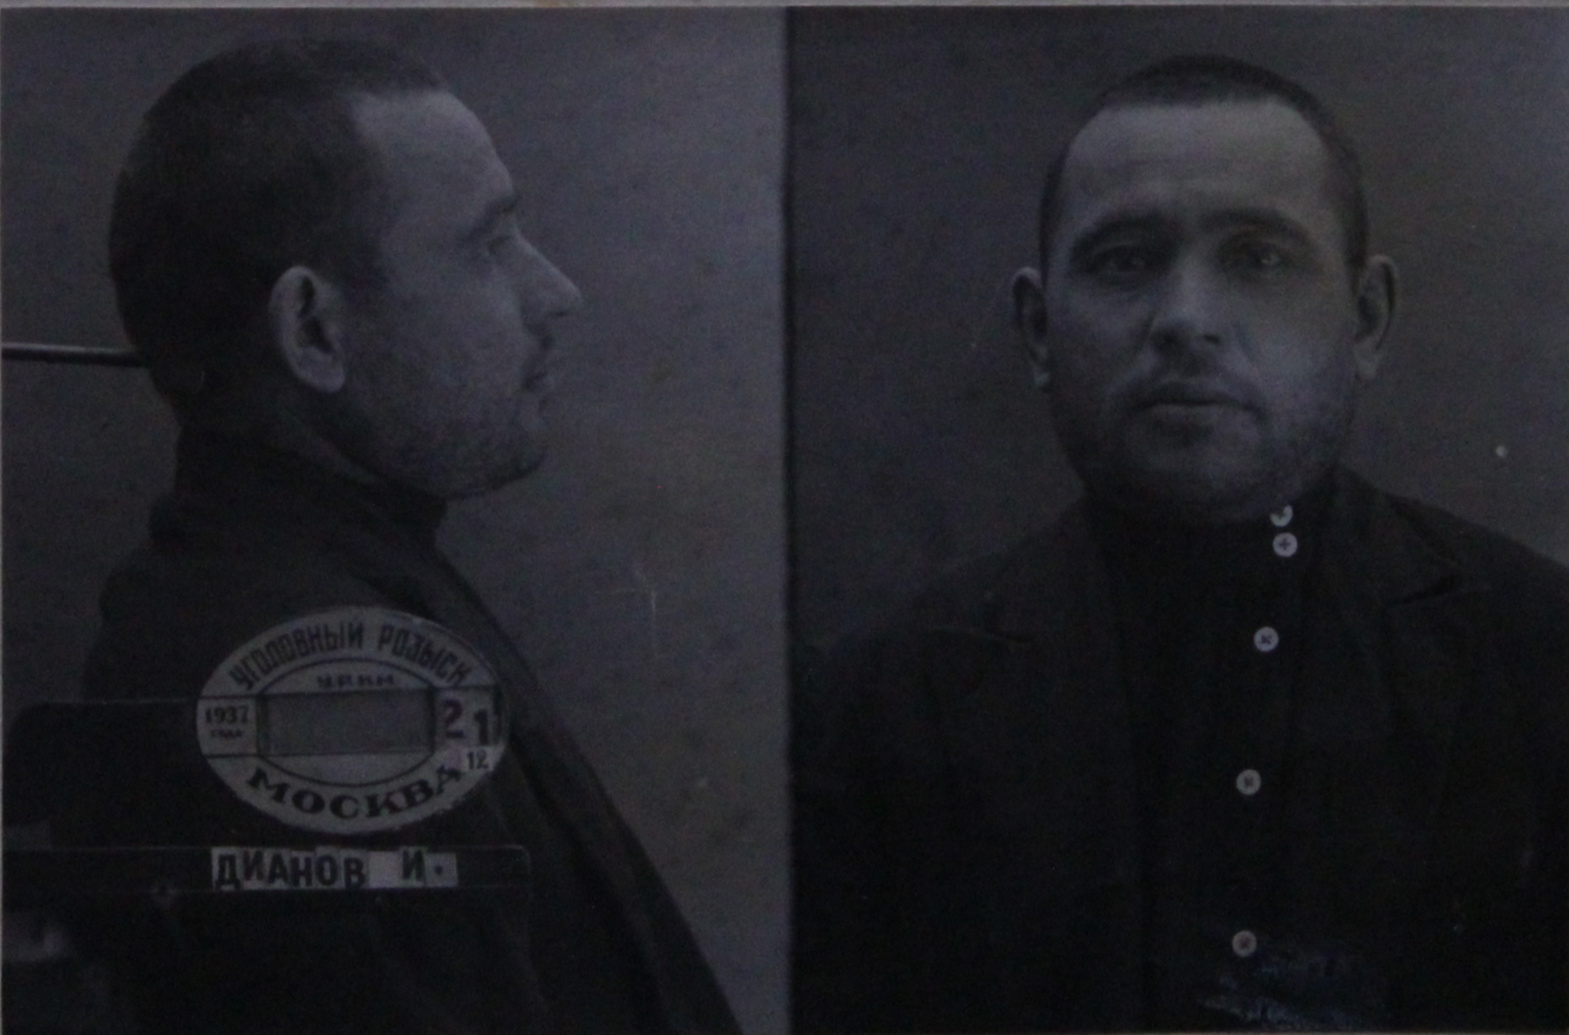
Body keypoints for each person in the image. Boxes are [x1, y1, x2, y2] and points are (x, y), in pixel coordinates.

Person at [793, 54, 1569, 1032]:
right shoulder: (878, 707)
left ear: (1366, 320)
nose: (1187, 321)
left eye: (1259, 259)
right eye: (1125, 261)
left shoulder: (1541, 656)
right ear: (1038, 330)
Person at [69, 38, 737, 1033]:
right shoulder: (313, 686)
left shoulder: (332, 595)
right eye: (486, 245)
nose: (556, 291)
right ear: (313, 331)